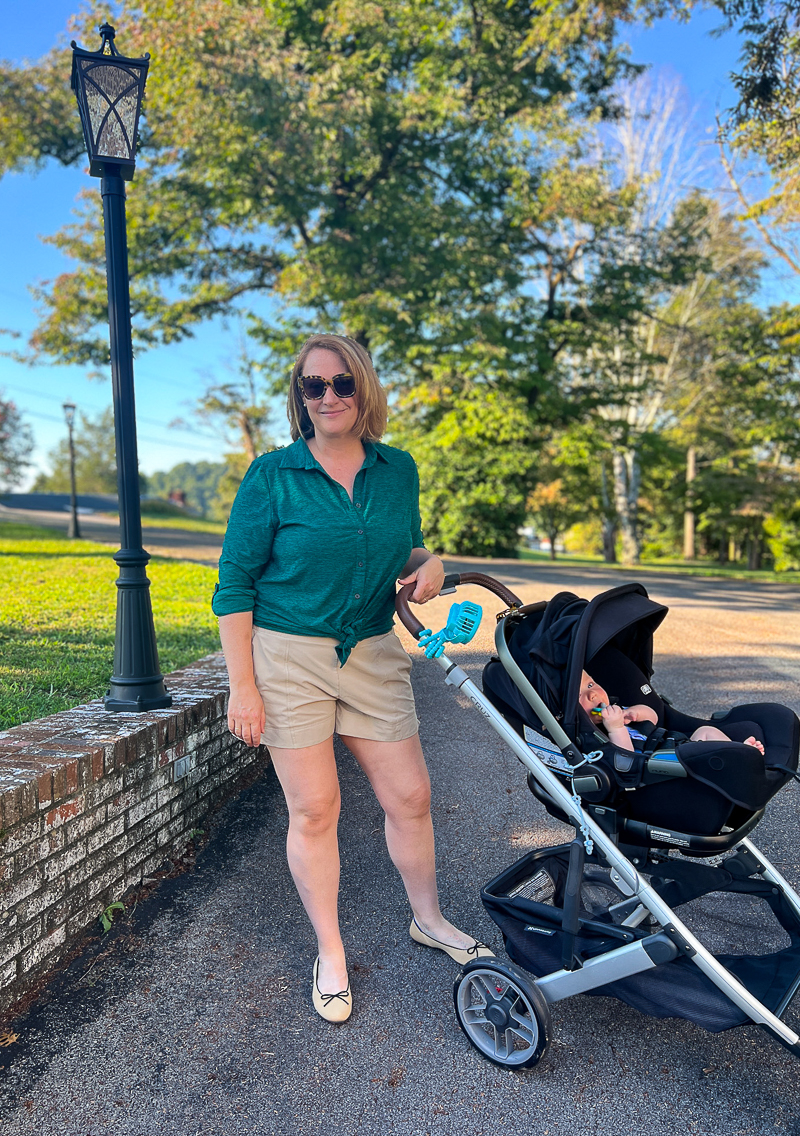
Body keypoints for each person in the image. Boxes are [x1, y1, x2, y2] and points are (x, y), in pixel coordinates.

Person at [212, 333, 492, 1023]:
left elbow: (404, 549)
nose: (330, 396)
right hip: (286, 658)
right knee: (315, 810)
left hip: (371, 652)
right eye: (315, 386)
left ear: (364, 390)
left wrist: (429, 562)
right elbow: (234, 586)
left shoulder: (399, 470)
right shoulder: (272, 476)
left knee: (412, 795)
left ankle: (428, 918)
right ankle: (330, 950)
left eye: (343, 383)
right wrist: (242, 685)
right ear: (299, 398)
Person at [578, 672, 765, 754]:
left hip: (673, 744)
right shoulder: (598, 736)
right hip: (661, 764)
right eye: (580, 694)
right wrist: (616, 728)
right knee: (701, 751)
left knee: (705, 732)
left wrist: (634, 713)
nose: (592, 693)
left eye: (590, 684)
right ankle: (735, 758)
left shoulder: (618, 711)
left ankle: (739, 751)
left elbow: (653, 717)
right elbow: (624, 755)